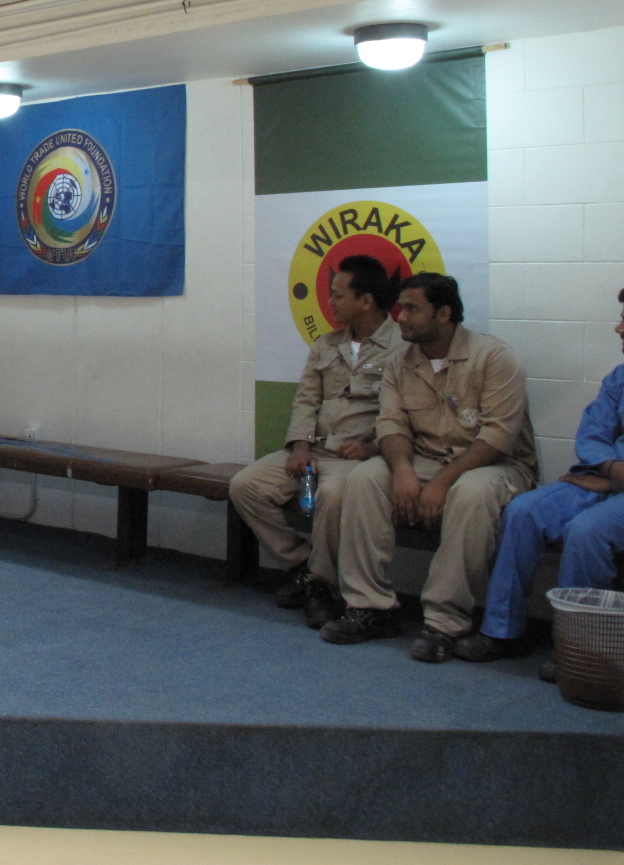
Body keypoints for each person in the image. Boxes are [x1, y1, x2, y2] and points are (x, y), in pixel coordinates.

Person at [322, 273, 537, 662]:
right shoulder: (399, 362)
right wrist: (403, 470)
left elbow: (497, 438)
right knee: (365, 478)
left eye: (412, 309)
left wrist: (440, 483)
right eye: (401, 308)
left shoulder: (493, 357)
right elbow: (391, 426)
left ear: (443, 314)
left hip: (496, 465)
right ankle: (370, 607)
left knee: (471, 494)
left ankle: (444, 622)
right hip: (424, 459)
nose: (400, 317)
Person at [230, 255, 404, 629]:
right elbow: (306, 400)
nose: (330, 302)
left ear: (366, 300)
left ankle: (321, 586)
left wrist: (374, 447)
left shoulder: (402, 348)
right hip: (316, 449)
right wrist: (301, 446)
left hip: (358, 458)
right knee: (246, 485)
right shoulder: (326, 345)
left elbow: (408, 413)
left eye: (338, 295)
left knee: (333, 495)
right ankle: (305, 570)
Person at [455, 288, 624, 673]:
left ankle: (576, 650)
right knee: (523, 511)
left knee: (586, 531)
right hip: (605, 476)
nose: (618, 328)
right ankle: (502, 630)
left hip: (611, 483)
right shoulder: (619, 378)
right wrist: (612, 472)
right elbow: (592, 434)